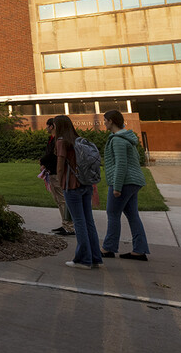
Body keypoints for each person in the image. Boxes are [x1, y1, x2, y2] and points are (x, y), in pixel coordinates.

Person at [101, 109, 150, 261]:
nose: (104, 123)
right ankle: (139, 250)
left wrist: (116, 187)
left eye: (105, 120)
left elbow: (120, 165)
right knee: (133, 215)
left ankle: (108, 248)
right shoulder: (126, 137)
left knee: (113, 214)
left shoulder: (117, 140)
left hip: (125, 182)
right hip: (133, 181)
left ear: (111, 121)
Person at [55, 115, 102, 270]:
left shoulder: (62, 142)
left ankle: (83, 259)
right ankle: (95, 257)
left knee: (78, 222)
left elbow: (60, 166)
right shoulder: (79, 140)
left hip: (72, 185)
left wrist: (60, 181)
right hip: (86, 184)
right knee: (89, 221)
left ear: (59, 126)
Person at [39, 118, 74, 235]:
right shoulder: (52, 140)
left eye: (48, 125)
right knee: (58, 200)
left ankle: (69, 226)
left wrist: (42, 161)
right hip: (51, 172)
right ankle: (65, 223)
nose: (46, 128)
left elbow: (54, 156)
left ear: (52, 126)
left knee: (62, 200)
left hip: (57, 173)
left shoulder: (58, 141)